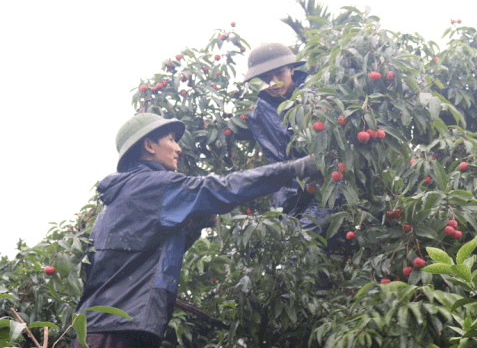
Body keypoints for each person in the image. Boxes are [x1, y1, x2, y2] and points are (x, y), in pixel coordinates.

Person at [73, 113, 317, 348]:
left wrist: (193, 227)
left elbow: (145, 255)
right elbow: (222, 188)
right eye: (171, 139)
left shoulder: (118, 198)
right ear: (149, 145)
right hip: (118, 329)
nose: (179, 148)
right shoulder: (156, 186)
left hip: (102, 328)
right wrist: (295, 169)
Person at [237, 43, 334, 238]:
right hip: (291, 187)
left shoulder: (318, 92)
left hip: (330, 178)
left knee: (306, 237)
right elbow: (278, 160)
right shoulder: (258, 113)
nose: (273, 83)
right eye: (265, 78)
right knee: (290, 243)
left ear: (291, 69)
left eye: (279, 74)